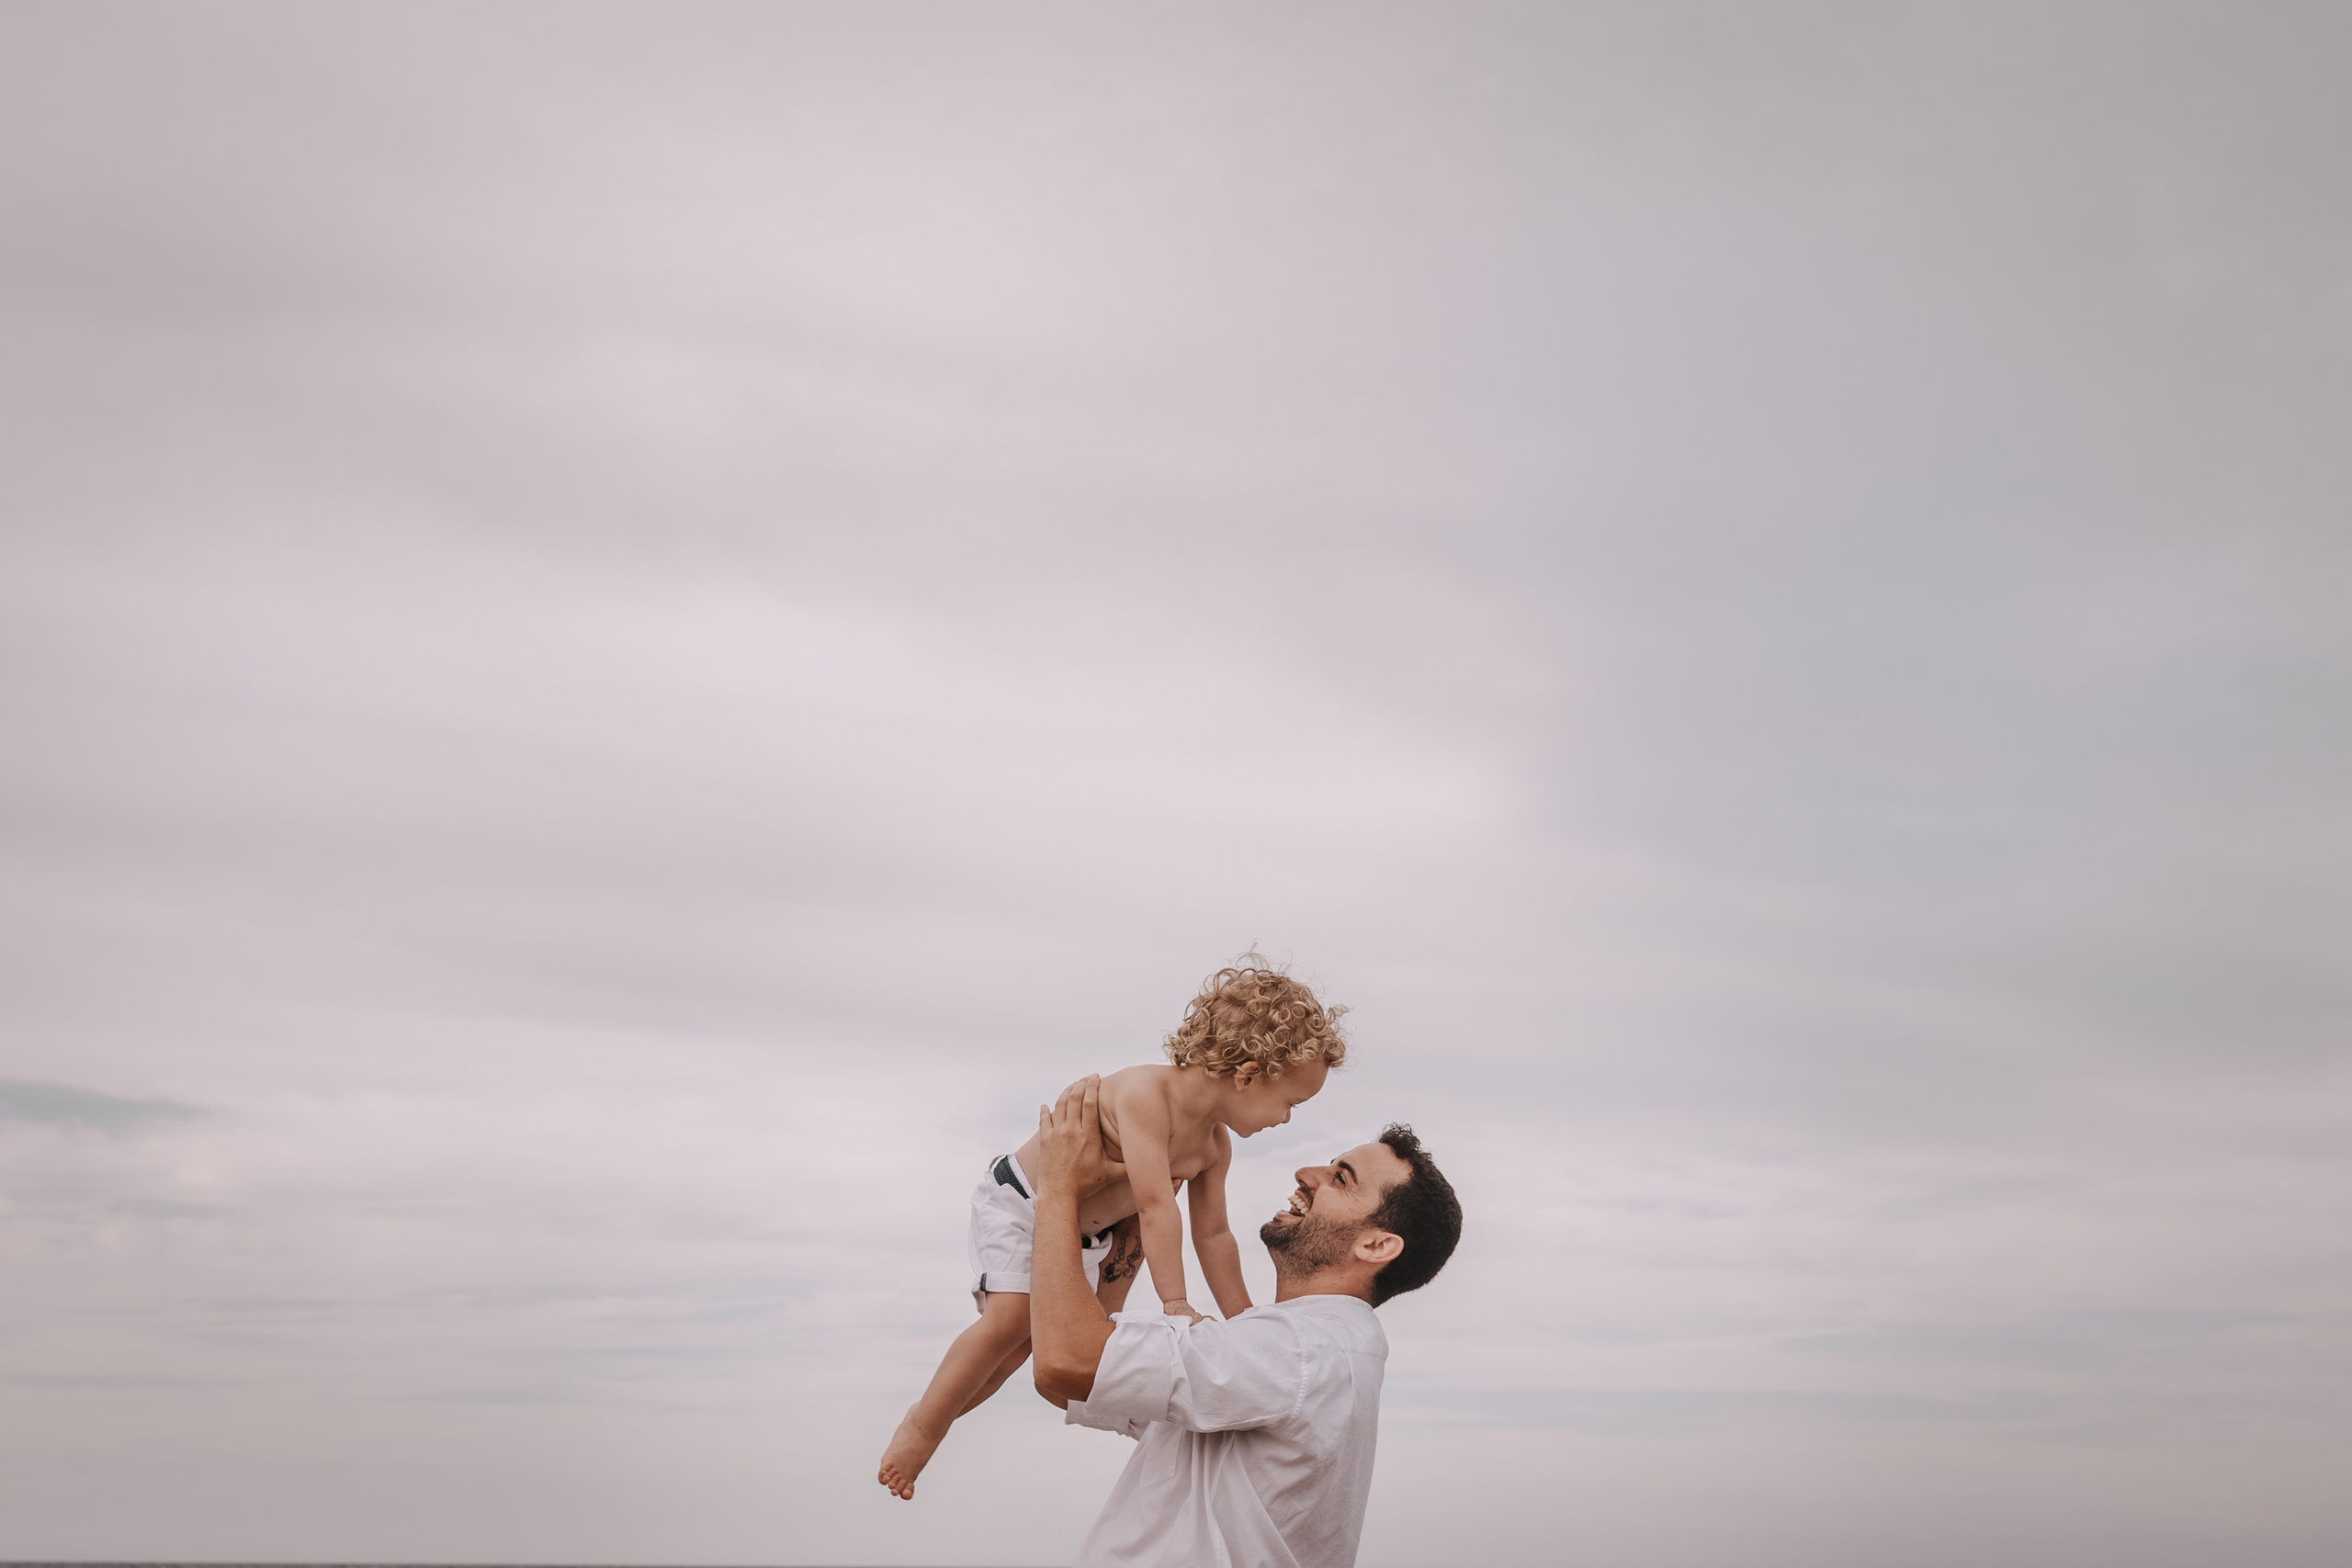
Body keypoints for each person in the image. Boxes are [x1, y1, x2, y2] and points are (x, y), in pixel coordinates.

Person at [877, 962, 1349, 1501]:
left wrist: (1247, 1325)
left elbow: (1214, 1235)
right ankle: (922, 1427)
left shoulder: (1215, 1145)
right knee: (1008, 1321)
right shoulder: (1147, 1096)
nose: (1288, 1119)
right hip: (1024, 1202)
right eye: (1290, 1102)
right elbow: (1153, 1206)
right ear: (1246, 1075)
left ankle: (938, 1414)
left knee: (1020, 1349)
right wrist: (1176, 1302)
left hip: (1080, 1236)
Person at [1029, 1076, 1464, 1568]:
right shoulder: (1288, 1350)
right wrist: (1132, 1221)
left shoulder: (1302, 1349)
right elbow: (1077, 1381)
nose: (1307, 1172)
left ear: (1376, 1246)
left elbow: (1066, 1363)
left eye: (1341, 1178)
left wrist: (1059, 1189)